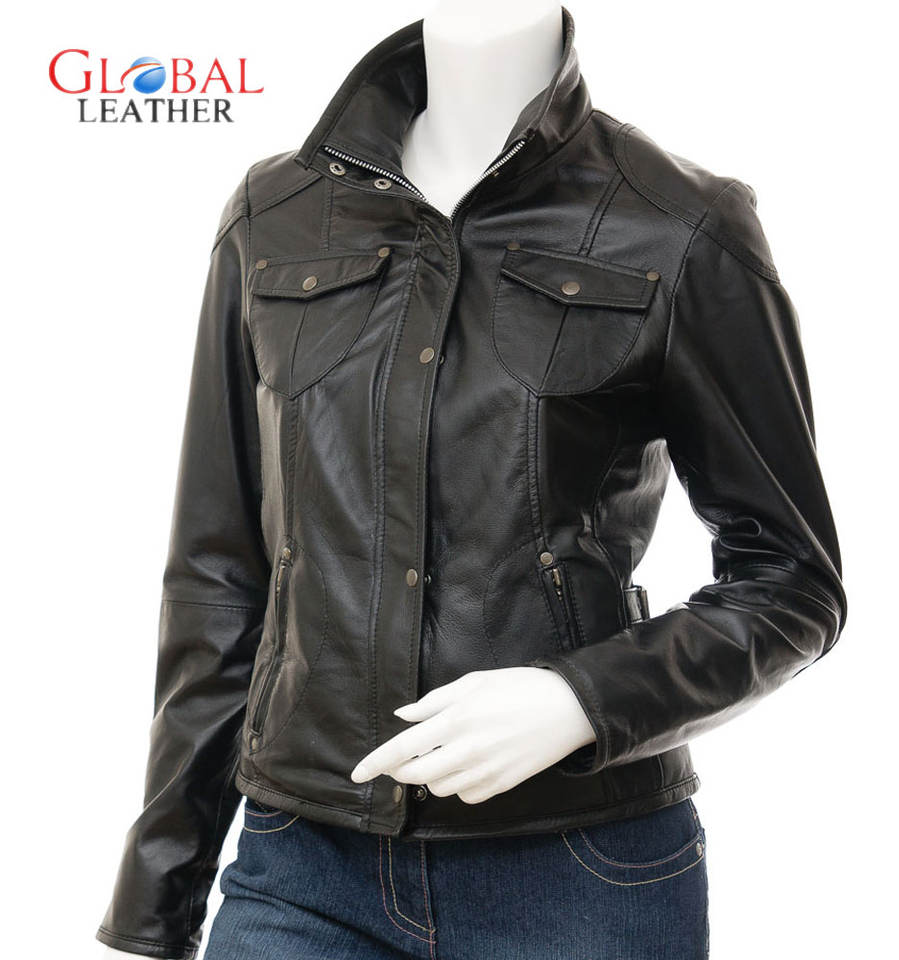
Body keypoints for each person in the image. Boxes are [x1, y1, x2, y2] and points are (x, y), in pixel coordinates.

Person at [97, 4, 847, 959]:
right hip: (301, 866)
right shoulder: (274, 213)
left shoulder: (681, 225)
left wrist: (580, 699)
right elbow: (217, 574)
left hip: (579, 872)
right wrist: (156, 903)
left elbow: (792, 583)